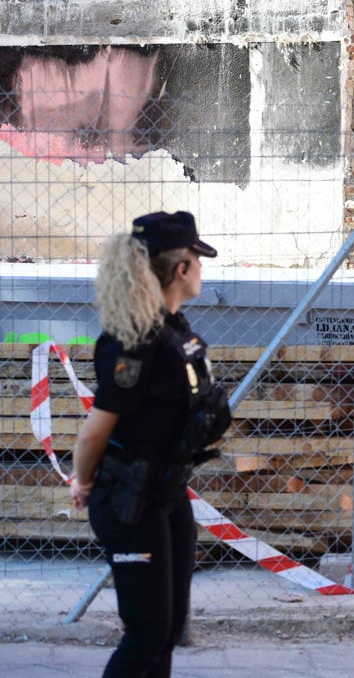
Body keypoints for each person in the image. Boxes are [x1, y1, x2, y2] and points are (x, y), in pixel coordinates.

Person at [70, 211, 229, 678]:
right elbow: (95, 430)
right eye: (198, 259)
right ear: (181, 268)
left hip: (166, 491)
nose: (202, 268)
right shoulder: (133, 342)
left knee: (168, 628)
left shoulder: (173, 327)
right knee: (146, 633)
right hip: (129, 498)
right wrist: (82, 481)